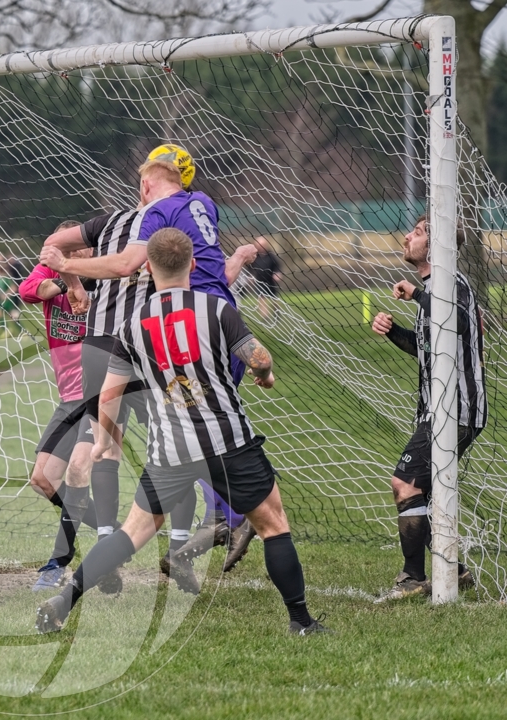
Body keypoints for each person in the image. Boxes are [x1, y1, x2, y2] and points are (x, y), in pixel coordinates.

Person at [36, 228, 328, 636]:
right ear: (193, 264)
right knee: (273, 524)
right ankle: (300, 621)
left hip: (169, 449)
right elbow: (258, 356)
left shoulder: (132, 326)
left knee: (132, 533)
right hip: (228, 440)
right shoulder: (215, 308)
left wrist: (103, 441)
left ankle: (64, 602)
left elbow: (109, 396)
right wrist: (266, 374)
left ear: (149, 268)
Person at [39, 153, 257, 591]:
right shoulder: (202, 206)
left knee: (141, 443)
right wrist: (241, 256)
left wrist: (67, 270)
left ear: (144, 184)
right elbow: (211, 272)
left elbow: (114, 262)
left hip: (160, 341)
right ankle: (202, 531)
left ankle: (224, 517)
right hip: (203, 325)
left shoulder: (149, 217)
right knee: (185, 434)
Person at [370, 215, 486, 602]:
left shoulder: (451, 285)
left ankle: (413, 577)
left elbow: (450, 320)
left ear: (435, 246)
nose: (406, 236)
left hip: (456, 410)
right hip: (439, 411)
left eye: (417, 233)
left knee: (405, 483)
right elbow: (426, 352)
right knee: (426, 490)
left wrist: (416, 296)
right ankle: (454, 568)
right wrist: (394, 334)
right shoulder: (433, 289)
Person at [19, 221, 100, 591]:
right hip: (69, 398)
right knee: (42, 479)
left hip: (103, 393)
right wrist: (64, 278)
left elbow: (92, 286)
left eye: (77, 248)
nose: (73, 254)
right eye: (65, 250)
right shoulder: (55, 274)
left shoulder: (106, 275)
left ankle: (57, 563)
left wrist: (74, 276)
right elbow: (27, 289)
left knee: (78, 473)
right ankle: (110, 531)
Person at [249, 236, 282, 320]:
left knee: (274, 298)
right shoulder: (254, 256)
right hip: (259, 281)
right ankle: (265, 317)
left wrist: (277, 273)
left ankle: (277, 313)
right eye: (259, 245)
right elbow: (250, 267)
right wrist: (251, 276)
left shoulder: (271, 256)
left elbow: (277, 266)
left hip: (270, 280)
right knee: (262, 298)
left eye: (262, 245)